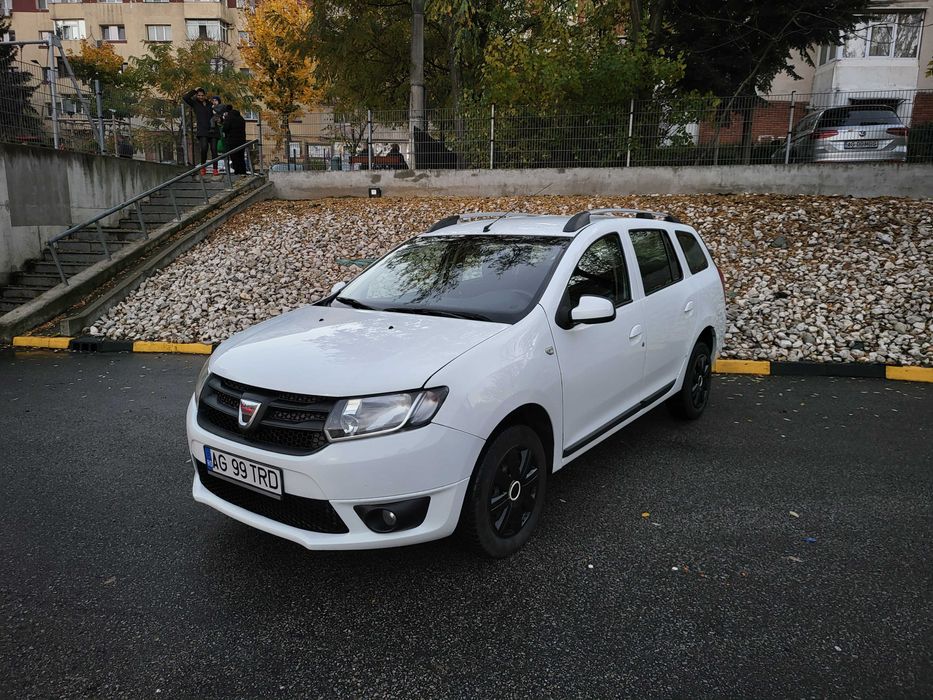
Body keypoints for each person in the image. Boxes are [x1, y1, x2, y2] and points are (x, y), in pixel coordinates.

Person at [182, 87, 220, 176]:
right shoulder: (195, 103)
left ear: (205, 95)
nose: (201, 97)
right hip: (202, 130)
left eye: (202, 95)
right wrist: (194, 90)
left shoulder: (210, 104)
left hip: (213, 129)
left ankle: (215, 169)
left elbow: (218, 113)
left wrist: (220, 119)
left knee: (214, 150)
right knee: (204, 148)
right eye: (199, 95)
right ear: (196, 95)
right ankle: (203, 167)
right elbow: (185, 97)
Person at [222, 104, 247, 175]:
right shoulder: (241, 118)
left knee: (234, 157)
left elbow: (225, 128)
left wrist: (223, 121)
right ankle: (243, 172)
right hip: (242, 140)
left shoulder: (229, 118)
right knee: (241, 157)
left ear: (226, 111)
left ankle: (237, 172)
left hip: (232, 141)